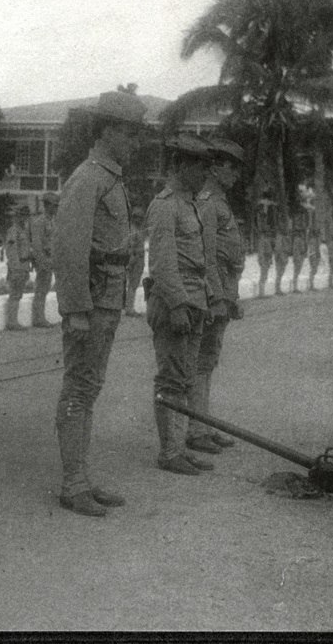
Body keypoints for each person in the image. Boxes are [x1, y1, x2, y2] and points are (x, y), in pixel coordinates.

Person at [52, 90, 147, 517]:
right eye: (128, 133)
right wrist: (74, 309)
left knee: (89, 389)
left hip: (105, 298)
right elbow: (68, 249)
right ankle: (73, 483)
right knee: (78, 388)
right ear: (106, 132)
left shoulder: (110, 178)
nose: (135, 142)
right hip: (90, 301)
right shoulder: (88, 179)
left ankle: (82, 477)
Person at [146, 133, 216, 476]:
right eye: (201, 167)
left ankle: (179, 447)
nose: (206, 174)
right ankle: (170, 451)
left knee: (186, 378)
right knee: (171, 379)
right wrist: (176, 304)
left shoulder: (189, 203)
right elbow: (161, 262)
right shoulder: (165, 205)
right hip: (176, 302)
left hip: (194, 300)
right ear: (182, 165)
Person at [186, 137, 246, 454]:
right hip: (214, 291)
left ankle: (203, 425)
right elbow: (207, 255)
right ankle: (195, 429)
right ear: (217, 166)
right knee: (200, 362)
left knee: (208, 361)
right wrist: (217, 297)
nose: (236, 174)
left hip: (224, 289)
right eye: (232, 167)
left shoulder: (219, 200)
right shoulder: (209, 202)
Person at [28, 193, 59, 327]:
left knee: (45, 289)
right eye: (54, 205)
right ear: (47, 205)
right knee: (40, 290)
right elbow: (37, 244)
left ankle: (41, 317)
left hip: (50, 259)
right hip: (43, 261)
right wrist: (42, 261)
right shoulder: (39, 221)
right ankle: (38, 318)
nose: (56, 208)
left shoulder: (52, 221)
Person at [4, 203, 33, 330]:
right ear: (16, 216)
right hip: (17, 267)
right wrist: (15, 268)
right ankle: (12, 322)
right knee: (14, 295)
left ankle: (14, 321)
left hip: (24, 266)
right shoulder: (13, 230)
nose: (24, 218)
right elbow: (11, 251)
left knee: (18, 295)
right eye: (21, 216)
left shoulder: (24, 230)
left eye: (26, 216)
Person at [253, 190, 285, 296]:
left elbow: (256, 224)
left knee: (265, 263)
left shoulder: (260, 207)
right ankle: (275, 288)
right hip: (271, 237)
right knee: (274, 262)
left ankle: (262, 291)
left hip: (265, 237)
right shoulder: (270, 207)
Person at [124, 209, 147, 316]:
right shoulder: (133, 230)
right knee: (132, 285)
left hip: (138, 259)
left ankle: (129, 307)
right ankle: (129, 308)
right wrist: (132, 259)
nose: (140, 219)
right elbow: (131, 246)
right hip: (135, 259)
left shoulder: (137, 229)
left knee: (133, 284)